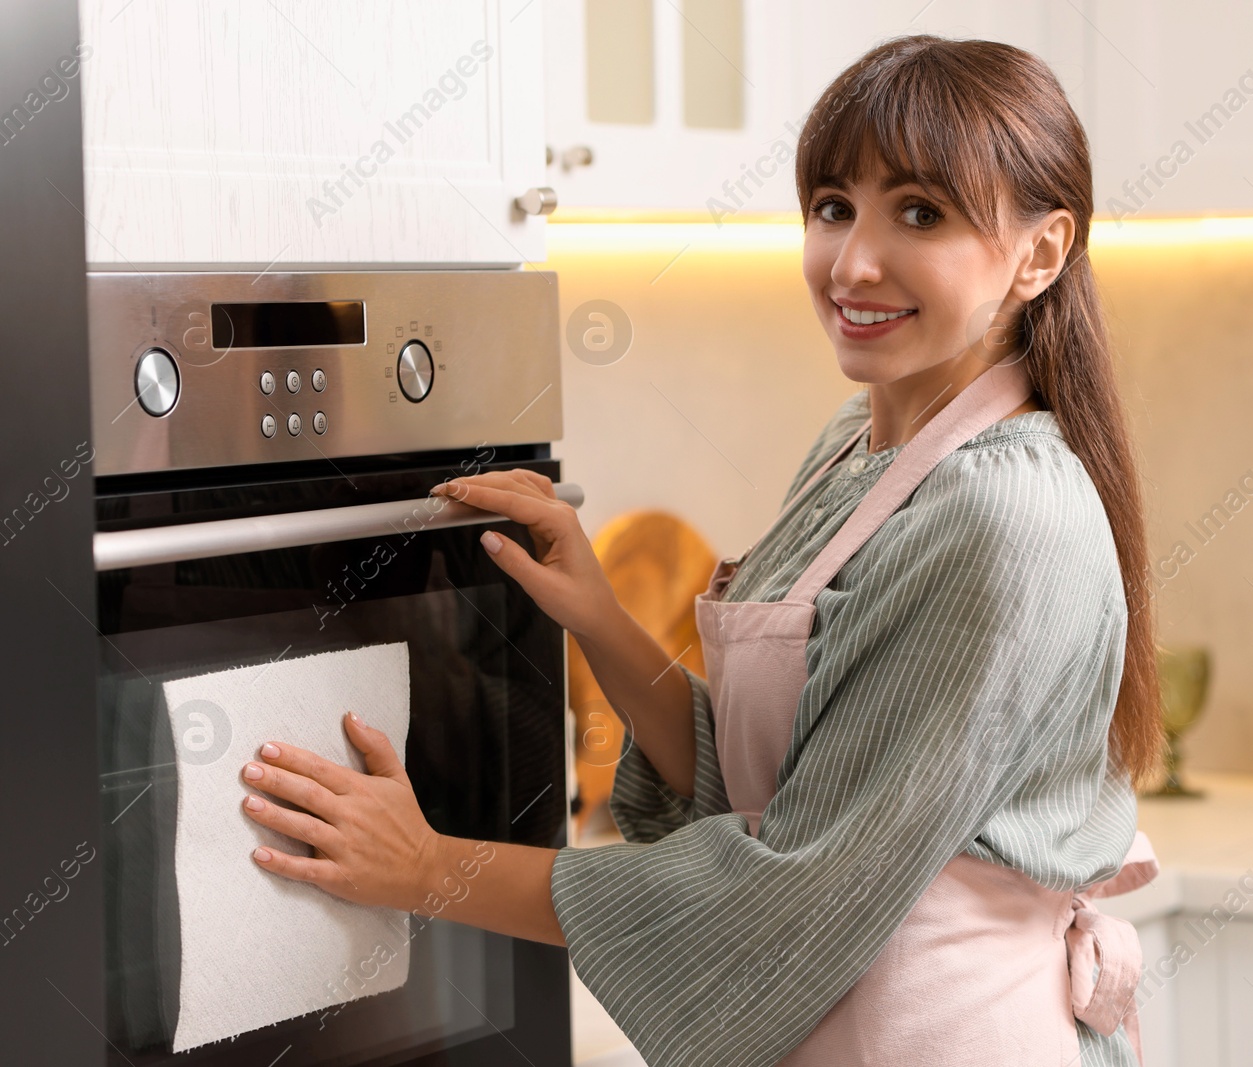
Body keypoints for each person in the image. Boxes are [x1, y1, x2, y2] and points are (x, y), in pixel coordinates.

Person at [237, 34, 1166, 1067]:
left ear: (1040, 251)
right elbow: (757, 784)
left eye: (920, 212)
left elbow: (788, 883)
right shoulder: (858, 447)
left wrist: (426, 867)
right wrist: (593, 609)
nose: (854, 261)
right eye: (831, 205)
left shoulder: (1006, 519)